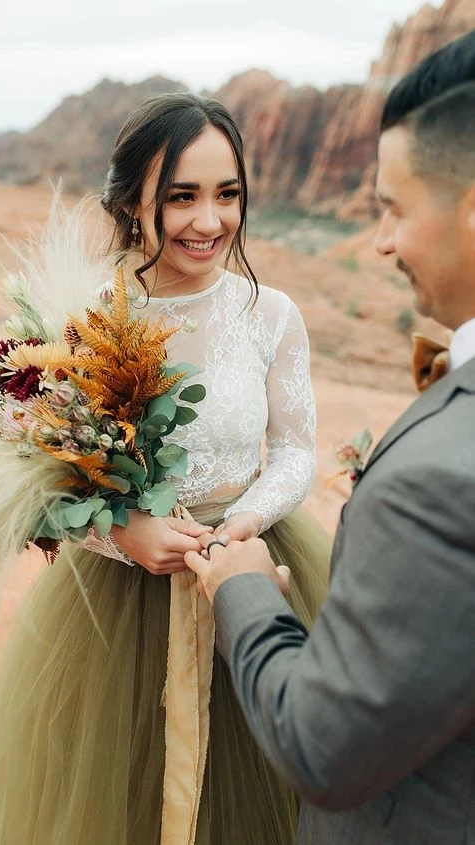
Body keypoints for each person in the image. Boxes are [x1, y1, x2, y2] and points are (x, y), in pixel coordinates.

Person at [0, 93, 330, 845]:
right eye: (182, 197)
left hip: (247, 575)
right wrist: (125, 533)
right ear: (135, 202)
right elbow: (45, 474)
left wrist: (246, 521)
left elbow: (298, 448)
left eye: (227, 194)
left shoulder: (272, 316)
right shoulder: (88, 319)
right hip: (115, 608)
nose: (210, 220)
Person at [185, 30, 475, 845]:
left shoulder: (440, 480)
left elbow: (324, 744)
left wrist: (244, 582)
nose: (380, 241)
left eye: (392, 208)